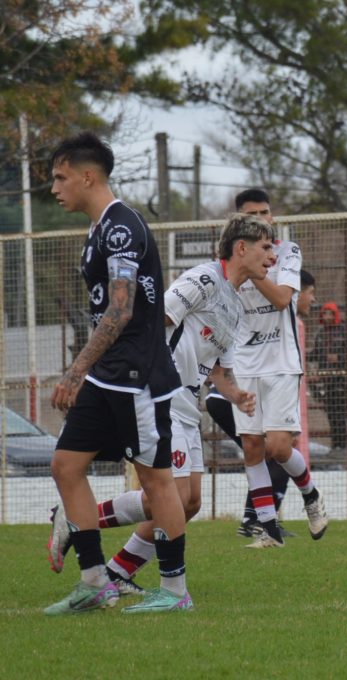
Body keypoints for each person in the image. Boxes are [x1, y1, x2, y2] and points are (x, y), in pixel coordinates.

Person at [50, 213, 275, 593]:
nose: (272, 256)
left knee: (190, 503)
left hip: (189, 404)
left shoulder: (236, 306)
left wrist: (236, 395)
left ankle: (116, 572)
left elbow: (219, 370)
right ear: (241, 248)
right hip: (164, 395)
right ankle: (78, 520)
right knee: (171, 495)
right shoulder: (204, 279)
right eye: (266, 247)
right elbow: (155, 319)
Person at [43, 132, 188, 614]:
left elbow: (121, 311)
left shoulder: (121, 227)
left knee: (156, 481)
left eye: (61, 177)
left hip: (134, 375)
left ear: (88, 176)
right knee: (66, 465)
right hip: (107, 373)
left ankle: (175, 592)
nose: (55, 188)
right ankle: (95, 583)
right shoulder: (98, 229)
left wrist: (74, 371)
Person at [232, 188, 327, 547]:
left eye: (265, 212)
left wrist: (252, 269)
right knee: (252, 447)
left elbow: (283, 299)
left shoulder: (287, 251)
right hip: (243, 364)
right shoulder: (229, 256)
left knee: (278, 447)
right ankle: (268, 528)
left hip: (281, 363)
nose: (262, 219)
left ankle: (310, 494)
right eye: (252, 214)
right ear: (238, 221)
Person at [225, 268, 317, 537]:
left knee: (274, 449)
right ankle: (261, 523)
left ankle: (263, 518)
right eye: (311, 293)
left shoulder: (287, 258)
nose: (313, 299)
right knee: (265, 449)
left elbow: (280, 299)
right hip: (230, 390)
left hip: (262, 380)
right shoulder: (237, 280)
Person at [310, 301, 347, 454]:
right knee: (331, 413)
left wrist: (339, 358)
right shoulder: (321, 333)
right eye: (325, 313)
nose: (327, 316)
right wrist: (304, 355)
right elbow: (316, 354)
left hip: (340, 379)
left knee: (340, 413)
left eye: (330, 313)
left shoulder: (343, 331)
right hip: (326, 379)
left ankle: (342, 445)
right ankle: (336, 445)